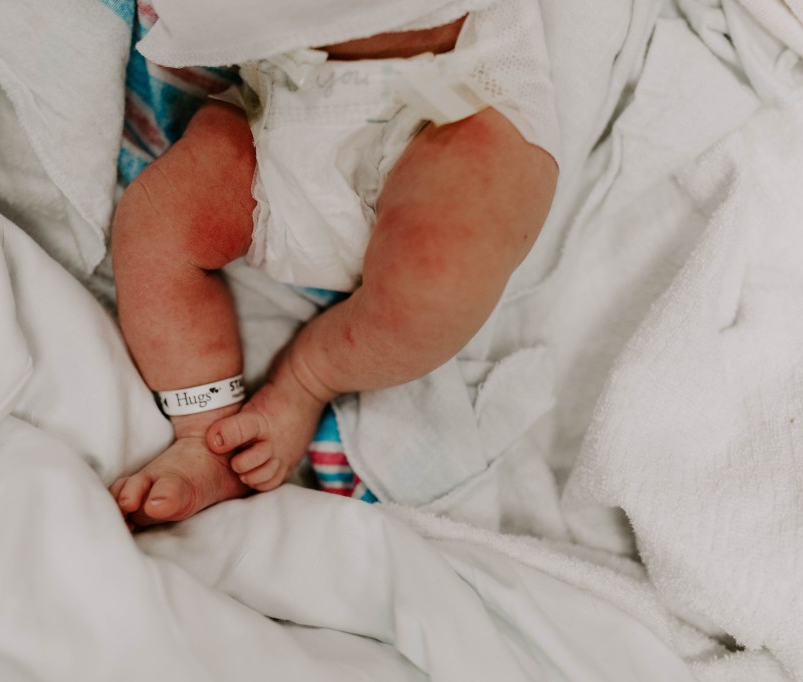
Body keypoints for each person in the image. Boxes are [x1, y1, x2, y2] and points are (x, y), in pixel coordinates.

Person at [109, 6, 560, 527]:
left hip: (454, 97)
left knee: (438, 279)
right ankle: (205, 433)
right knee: (154, 222)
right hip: (274, 99)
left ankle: (309, 377)